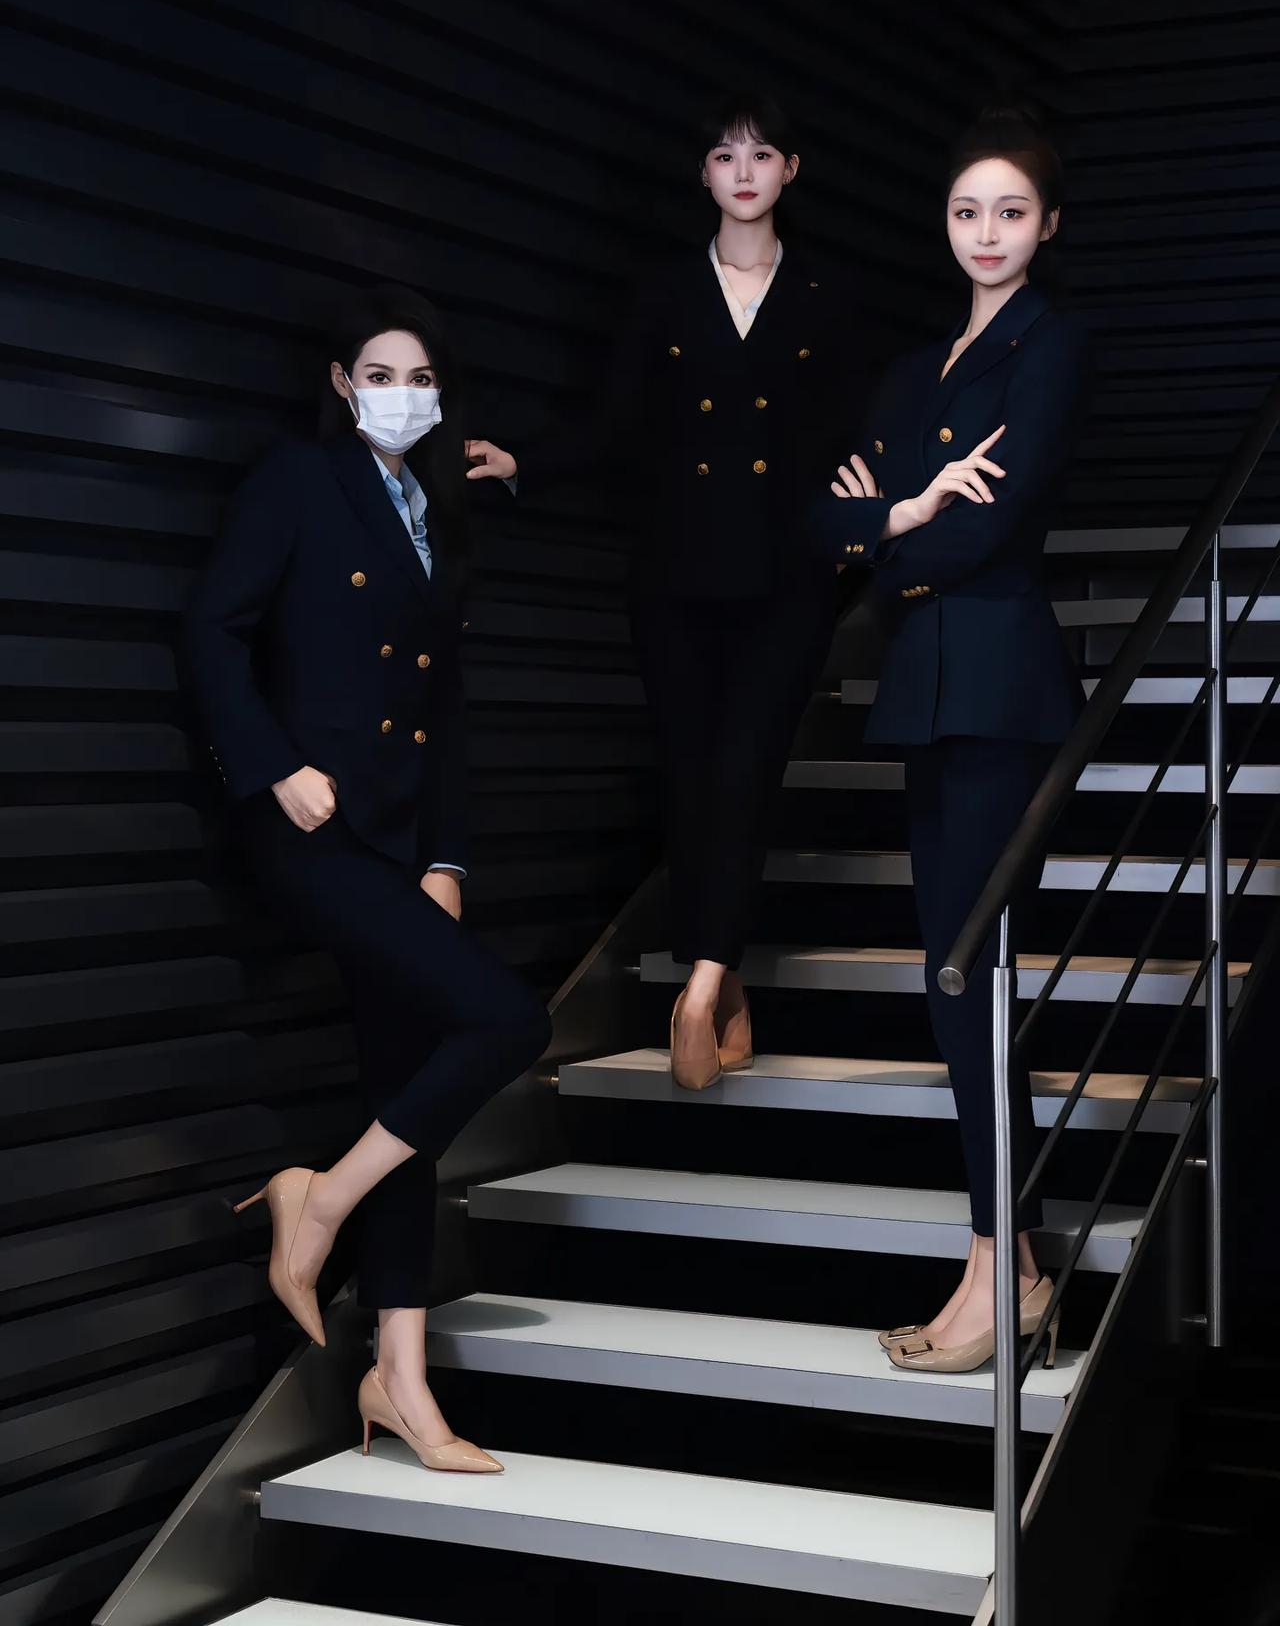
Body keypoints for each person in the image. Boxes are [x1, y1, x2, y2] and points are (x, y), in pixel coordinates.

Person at [183, 283, 551, 1470]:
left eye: (419, 378)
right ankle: (322, 1202)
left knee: (409, 1090)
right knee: (510, 1020)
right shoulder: (301, 480)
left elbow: (441, 706)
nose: (401, 395)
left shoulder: (438, 510)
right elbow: (212, 631)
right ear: (343, 384)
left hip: (402, 843)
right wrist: (273, 768)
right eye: (380, 376)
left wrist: (445, 855)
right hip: (314, 828)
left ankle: (399, 1379)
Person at [465, 95, 874, 1090]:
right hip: (674, 577)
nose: (744, 172)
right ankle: (725, 991)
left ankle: (699, 983)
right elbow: (618, 424)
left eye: (762, 154)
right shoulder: (664, 292)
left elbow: (854, 425)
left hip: (785, 578)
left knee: (743, 771)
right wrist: (526, 463)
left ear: (789, 170)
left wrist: (867, 500)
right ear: (703, 174)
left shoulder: (826, 295)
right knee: (691, 777)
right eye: (725, 155)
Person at [813, 106, 1091, 1372]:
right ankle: (1002, 1262)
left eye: (1010, 213)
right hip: (924, 682)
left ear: (1045, 225)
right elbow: (828, 531)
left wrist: (895, 525)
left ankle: (1001, 1268)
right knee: (950, 980)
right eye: (967, 211)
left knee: (970, 978)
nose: (986, 233)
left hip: (996, 681)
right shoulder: (911, 371)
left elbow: (986, 527)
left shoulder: (1049, 345)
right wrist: (898, 516)